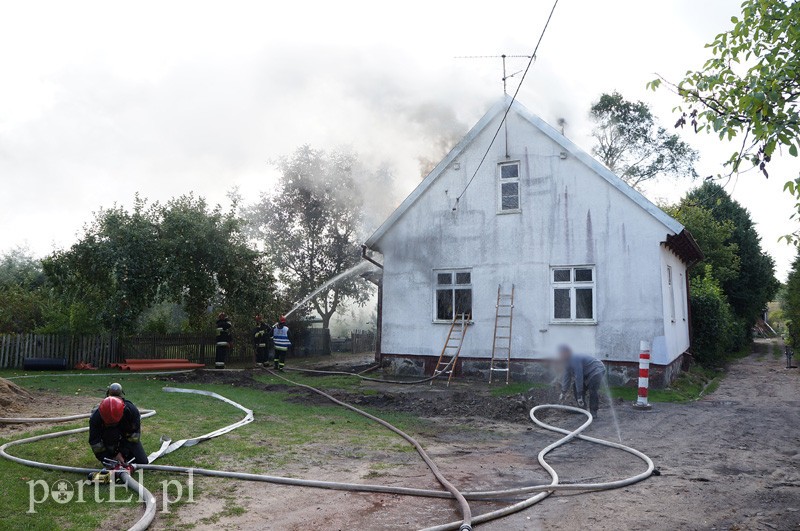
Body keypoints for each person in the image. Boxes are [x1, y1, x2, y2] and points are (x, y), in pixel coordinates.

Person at [88, 395, 148, 466]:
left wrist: (122, 452)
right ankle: (113, 454)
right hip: (109, 437)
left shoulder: (131, 411)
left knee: (142, 461)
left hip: (127, 437)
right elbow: (95, 442)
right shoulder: (96, 417)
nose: (112, 425)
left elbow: (133, 437)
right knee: (112, 464)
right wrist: (110, 457)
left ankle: (125, 457)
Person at [557, 345, 605, 418]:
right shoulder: (567, 361)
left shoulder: (575, 358)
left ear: (567, 352)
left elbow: (578, 376)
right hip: (587, 372)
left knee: (592, 388)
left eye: (562, 353)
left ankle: (593, 412)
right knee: (575, 386)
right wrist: (563, 392)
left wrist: (580, 395)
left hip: (597, 369)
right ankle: (582, 409)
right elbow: (566, 377)